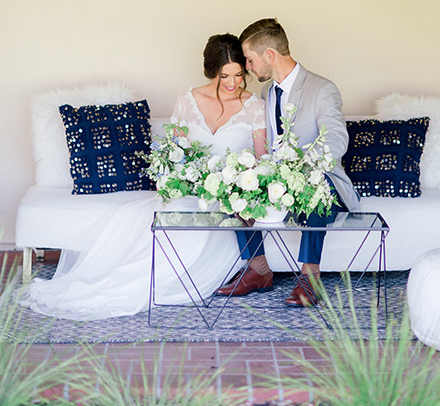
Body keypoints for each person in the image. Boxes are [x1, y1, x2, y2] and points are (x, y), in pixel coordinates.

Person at [20, 33, 267, 321]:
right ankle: (114, 283)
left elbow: (261, 161)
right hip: (190, 191)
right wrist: (179, 177)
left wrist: (238, 187)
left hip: (226, 198)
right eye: (225, 75)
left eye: (239, 74)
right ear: (212, 71)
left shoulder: (255, 107)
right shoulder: (189, 100)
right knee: (157, 217)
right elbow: (176, 151)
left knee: (193, 232)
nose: (233, 83)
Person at [217, 18, 359, 307]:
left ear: (269, 55)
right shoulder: (267, 92)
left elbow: (335, 141)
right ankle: (258, 271)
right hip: (278, 181)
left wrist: (301, 171)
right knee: (234, 189)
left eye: (250, 59)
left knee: (316, 189)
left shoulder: (322, 89)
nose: (248, 67)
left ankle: (310, 278)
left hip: (320, 180)